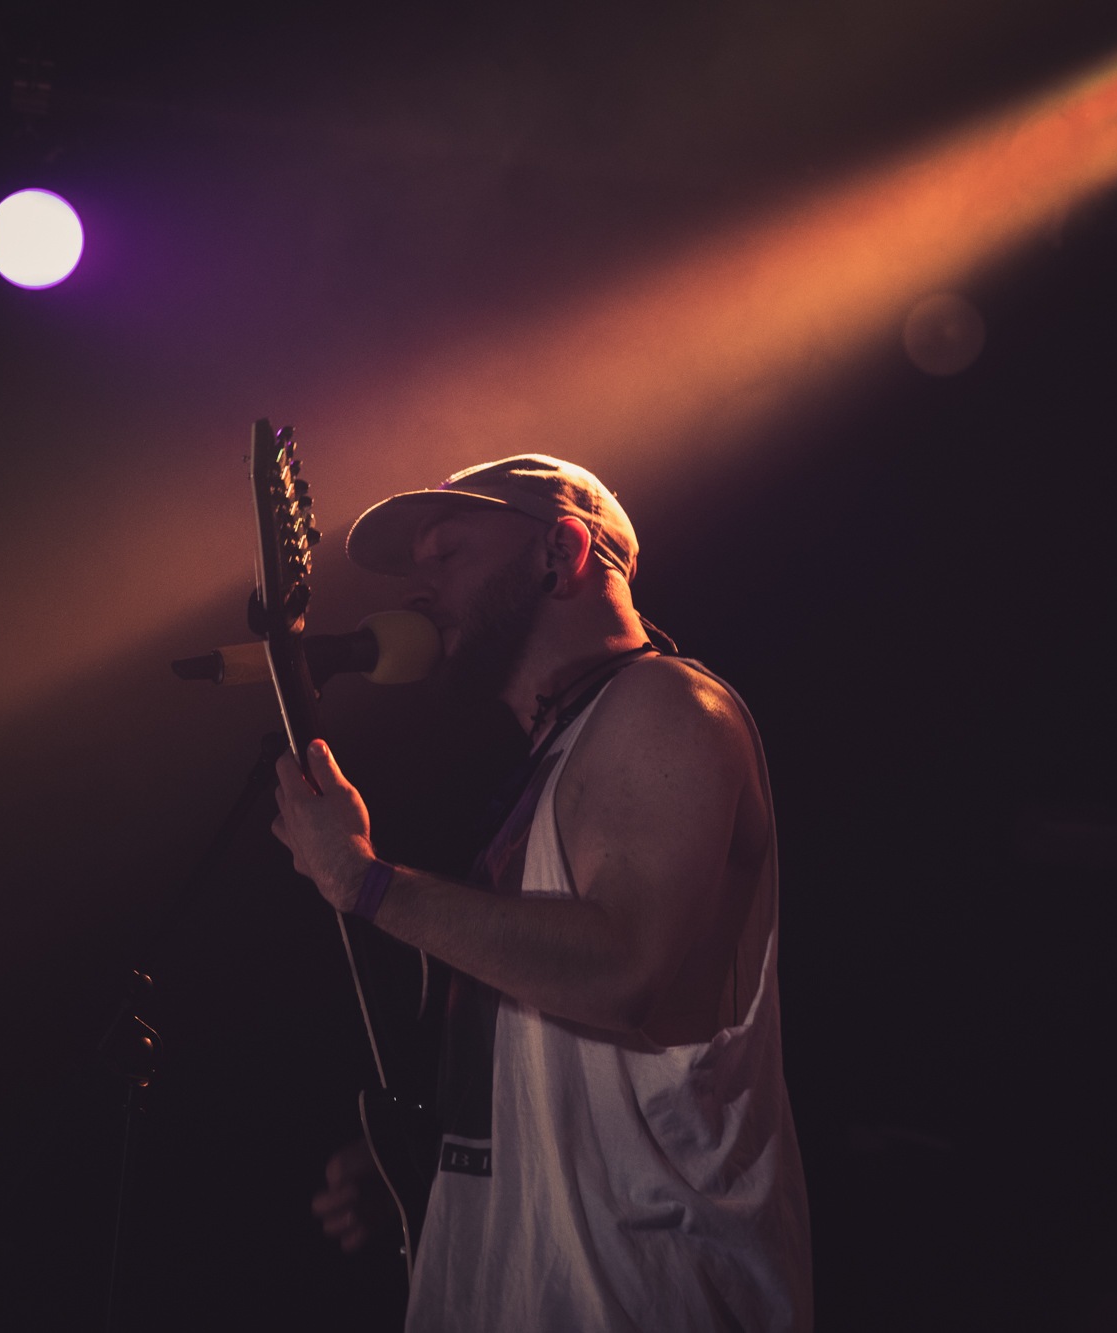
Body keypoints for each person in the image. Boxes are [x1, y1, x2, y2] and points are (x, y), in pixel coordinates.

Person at [271, 455, 812, 1332]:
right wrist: (435, 1160)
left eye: (448, 553)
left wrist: (365, 881)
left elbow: (622, 968)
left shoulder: (667, 703)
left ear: (560, 553)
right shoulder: (556, 758)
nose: (420, 589)